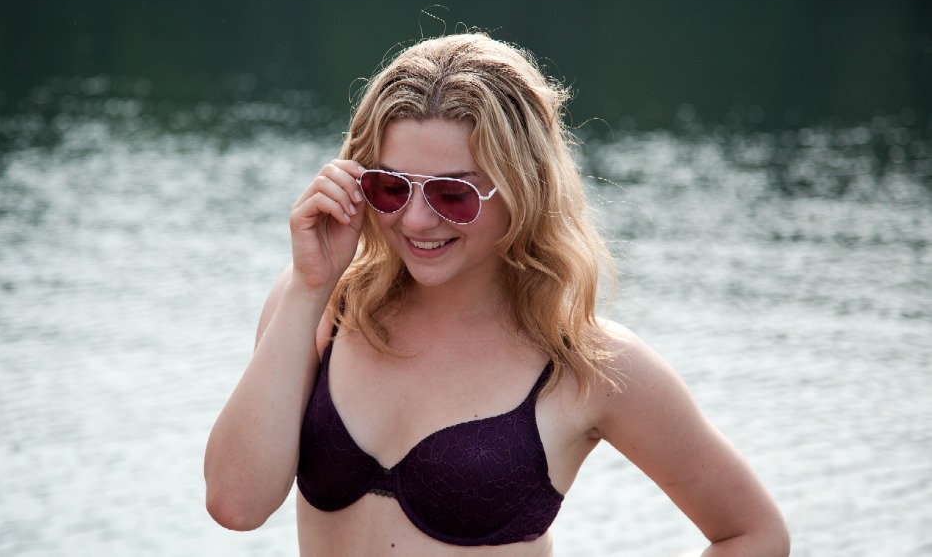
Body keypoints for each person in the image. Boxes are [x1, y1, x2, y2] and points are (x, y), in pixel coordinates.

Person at [204, 33, 790, 556]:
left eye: (453, 195)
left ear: (522, 188)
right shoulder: (323, 308)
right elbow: (235, 504)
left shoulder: (587, 363)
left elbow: (754, 534)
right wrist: (308, 287)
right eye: (390, 188)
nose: (416, 220)